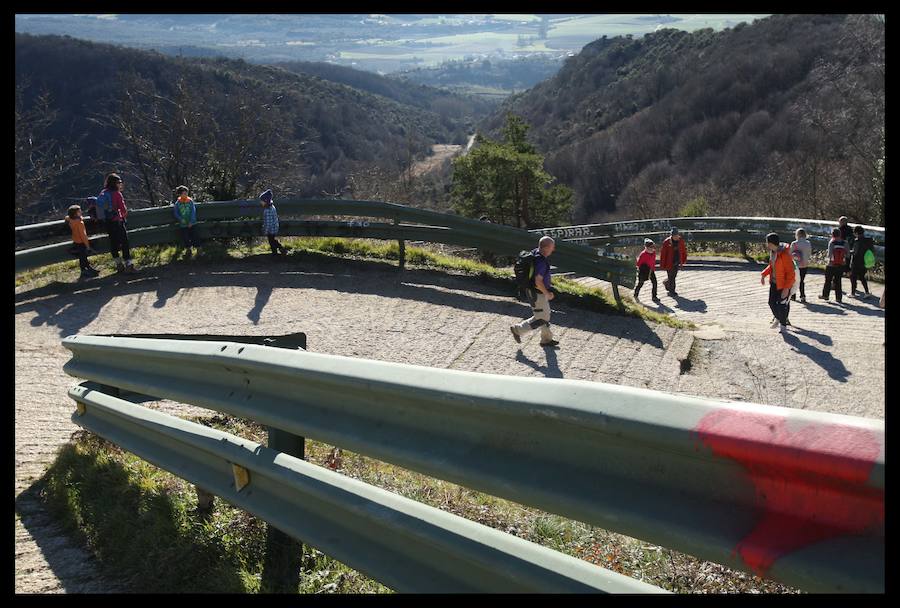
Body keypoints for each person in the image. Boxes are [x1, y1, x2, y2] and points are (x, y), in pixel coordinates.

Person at [510, 236, 559, 348]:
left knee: (544, 314)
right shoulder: (541, 262)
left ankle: (546, 339)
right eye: (552, 247)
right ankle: (518, 330)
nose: (553, 249)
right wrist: (547, 293)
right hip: (537, 293)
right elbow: (538, 281)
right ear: (546, 248)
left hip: (533, 291)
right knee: (542, 318)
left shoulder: (535, 253)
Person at [100, 173, 136, 273]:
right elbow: (123, 210)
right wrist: (122, 217)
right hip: (117, 222)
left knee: (113, 243)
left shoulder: (103, 192)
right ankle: (128, 265)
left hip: (107, 223)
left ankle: (118, 264)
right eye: (119, 182)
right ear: (115, 183)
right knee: (125, 242)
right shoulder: (117, 194)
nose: (121, 184)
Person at [760, 232, 795, 332]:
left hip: (783, 284)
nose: (766, 245)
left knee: (781, 305)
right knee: (771, 303)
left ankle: (783, 326)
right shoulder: (773, 252)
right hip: (774, 282)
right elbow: (772, 267)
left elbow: (790, 273)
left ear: (771, 243)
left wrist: (787, 288)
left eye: (767, 243)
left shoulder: (784, 254)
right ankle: (779, 318)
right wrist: (763, 274)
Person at [65, 204, 99, 279]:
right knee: (83, 257)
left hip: (76, 241)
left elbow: (67, 218)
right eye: (79, 211)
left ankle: (88, 268)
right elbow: (83, 235)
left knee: (82, 257)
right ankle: (84, 270)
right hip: (82, 242)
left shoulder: (71, 220)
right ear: (75, 214)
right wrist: (87, 246)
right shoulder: (80, 223)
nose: (81, 212)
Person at [819, 227, 848, 304]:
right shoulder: (845, 243)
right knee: (838, 281)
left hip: (831, 265)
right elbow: (847, 255)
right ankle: (838, 298)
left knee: (828, 280)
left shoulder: (832, 242)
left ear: (832, 234)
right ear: (840, 234)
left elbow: (829, 255)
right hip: (841, 265)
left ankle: (825, 295)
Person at [172, 185, 200, 258]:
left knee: (195, 236)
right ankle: (188, 249)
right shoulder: (177, 203)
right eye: (184, 193)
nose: (186, 195)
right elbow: (176, 213)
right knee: (186, 237)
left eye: (186, 193)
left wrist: (191, 221)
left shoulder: (190, 201)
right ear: (180, 194)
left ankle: (198, 248)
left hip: (192, 223)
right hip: (183, 224)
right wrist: (181, 219)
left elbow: (193, 211)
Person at [659, 227, 687, 296]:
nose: (676, 237)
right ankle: (672, 291)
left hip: (677, 261)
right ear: (671, 235)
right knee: (671, 276)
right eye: (674, 236)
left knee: (673, 276)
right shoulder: (666, 242)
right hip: (669, 262)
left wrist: (683, 260)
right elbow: (663, 254)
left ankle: (666, 283)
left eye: (677, 235)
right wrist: (662, 264)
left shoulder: (680, 241)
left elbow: (683, 251)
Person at [848, 225, 874, 298]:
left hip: (856, 262)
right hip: (865, 262)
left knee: (853, 277)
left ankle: (853, 293)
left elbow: (855, 252)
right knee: (862, 277)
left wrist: (849, 252)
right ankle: (867, 292)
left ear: (856, 233)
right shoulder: (869, 240)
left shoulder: (857, 241)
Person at [260, 189, 288, 256]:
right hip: (274, 227)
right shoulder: (272, 207)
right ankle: (276, 252)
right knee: (272, 240)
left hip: (271, 229)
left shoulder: (268, 210)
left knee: (272, 241)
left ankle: (279, 250)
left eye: (262, 201)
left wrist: (265, 230)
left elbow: (268, 223)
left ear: (266, 201)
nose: (261, 202)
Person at [633, 238, 660, 303]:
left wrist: (652, 269)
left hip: (651, 270)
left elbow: (653, 262)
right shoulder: (643, 254)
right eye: (651, 247)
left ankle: (654, 296)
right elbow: (638, 264)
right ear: (646, 247)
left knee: (655, 283)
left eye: (653, 246)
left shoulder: (653, 253)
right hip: (643, 271)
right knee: (641, 283)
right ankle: (636, 294)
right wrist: (641, 269)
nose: (652, 248)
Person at [789, 228, 812, 303]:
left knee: (794, 280)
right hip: (804, 265)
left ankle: (793, 295)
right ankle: (802, 296)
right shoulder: (808, 243)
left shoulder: (794, 243)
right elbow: (809, 254)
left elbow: (790, 254)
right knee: (801, 281)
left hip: (795, 265)